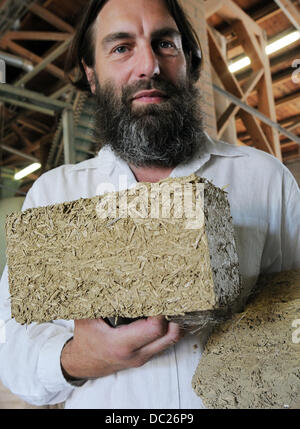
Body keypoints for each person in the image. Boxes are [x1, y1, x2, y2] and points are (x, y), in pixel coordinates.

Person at [0, 0, 299, 409]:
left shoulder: (266, 180)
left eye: (165, 43)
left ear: (190, 62)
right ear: (91, 73)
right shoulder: (54, 195)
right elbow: (11, 352)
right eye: (121, 47)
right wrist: (80, 358)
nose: (149, 66)